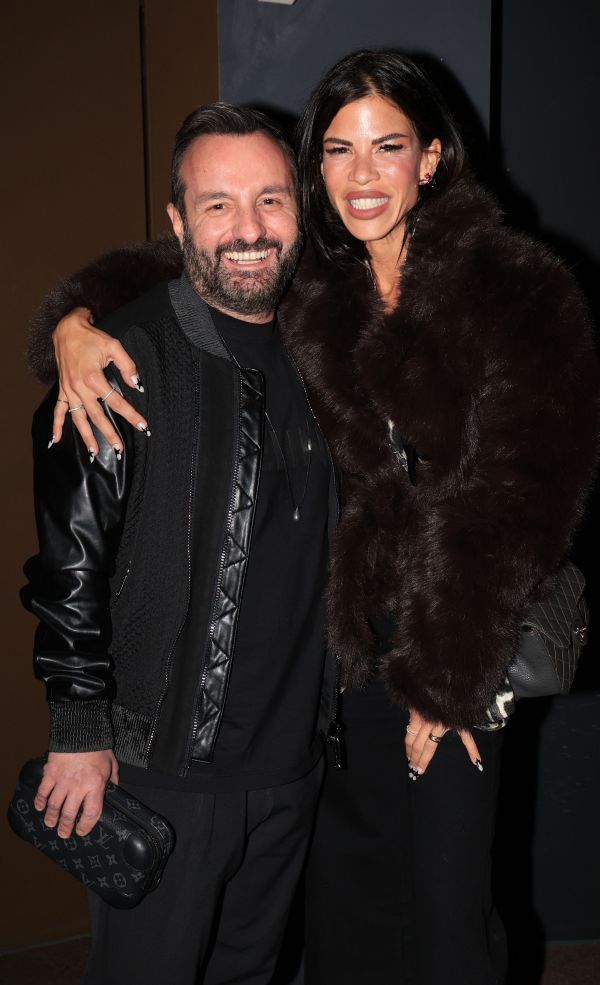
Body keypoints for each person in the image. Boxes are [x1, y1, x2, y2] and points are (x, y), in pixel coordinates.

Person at [28, 51, 598, 985]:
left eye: (388, 146)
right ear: (315, 170)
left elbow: (526, 494)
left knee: (447, 915)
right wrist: (74, 321)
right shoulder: (315, 280)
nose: (362, 173)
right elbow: (190, 258)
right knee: (346, 910)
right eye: (337, 149)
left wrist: (448, 673)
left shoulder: (516, 289)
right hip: (341, 665)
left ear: (432, 158)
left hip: (458, 644)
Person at [22, 103, 341, 985]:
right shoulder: (123, 357)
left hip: (292, 766)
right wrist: (78, 728)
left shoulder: (324, 352)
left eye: (271, 199)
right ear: (176, 220)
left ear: (299, 209)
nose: (249, 228)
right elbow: (69, 563)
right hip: (162, 772)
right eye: (217, 204)